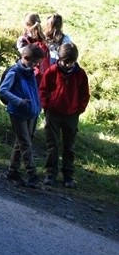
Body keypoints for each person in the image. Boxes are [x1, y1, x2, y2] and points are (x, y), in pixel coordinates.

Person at [39, 42, 89, 188]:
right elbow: (43, 90)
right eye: (65, 62)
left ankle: (68, 175)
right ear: (60, 59)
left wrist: (79, 109)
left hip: (71, 115)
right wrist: (47, 106)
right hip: (53, 114)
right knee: (52, 145)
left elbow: (84, 94)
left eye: (71, 62)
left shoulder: (80, 74)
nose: (68, 65)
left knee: (69, 147)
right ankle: (50, 173)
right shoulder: (52, 71)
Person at [0, 44, 45, 188]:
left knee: (21, 143)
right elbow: (3, 91)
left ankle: (12, 171)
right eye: (34, 63)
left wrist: (38, 106)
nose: (35, 66)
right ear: (25, 58)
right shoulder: (15, 72)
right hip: (18, 112)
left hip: (31, 112)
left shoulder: (30, 71)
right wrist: (19, 101)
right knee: (25, 143)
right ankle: (32, 174)